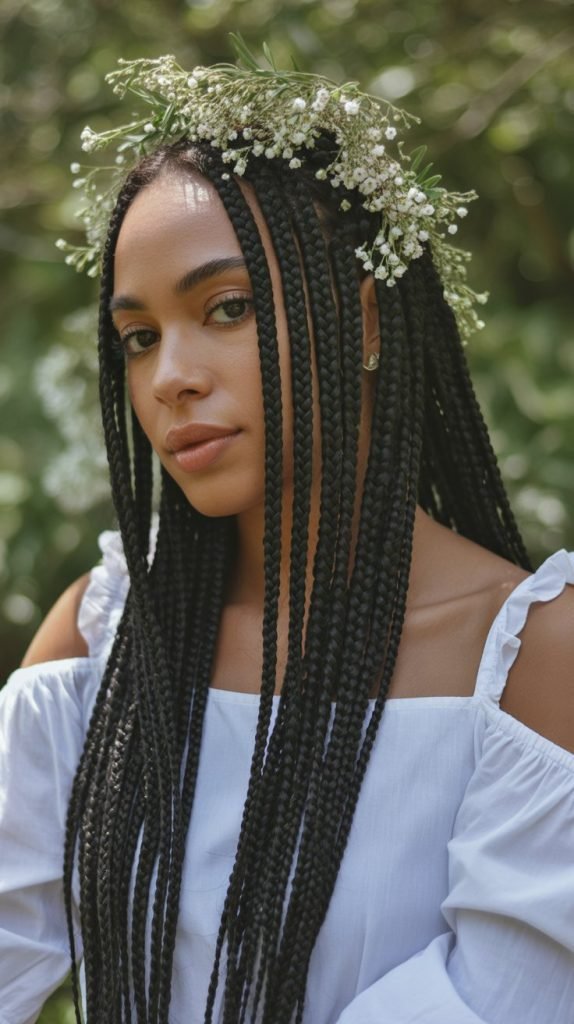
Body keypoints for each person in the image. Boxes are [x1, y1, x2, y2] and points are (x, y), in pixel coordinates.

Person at [1, 49, 573, 1024]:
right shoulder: (102, 640)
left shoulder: (526, 663)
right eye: (140, 337)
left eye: (226, 309)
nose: (170, 377)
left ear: (364, 323)